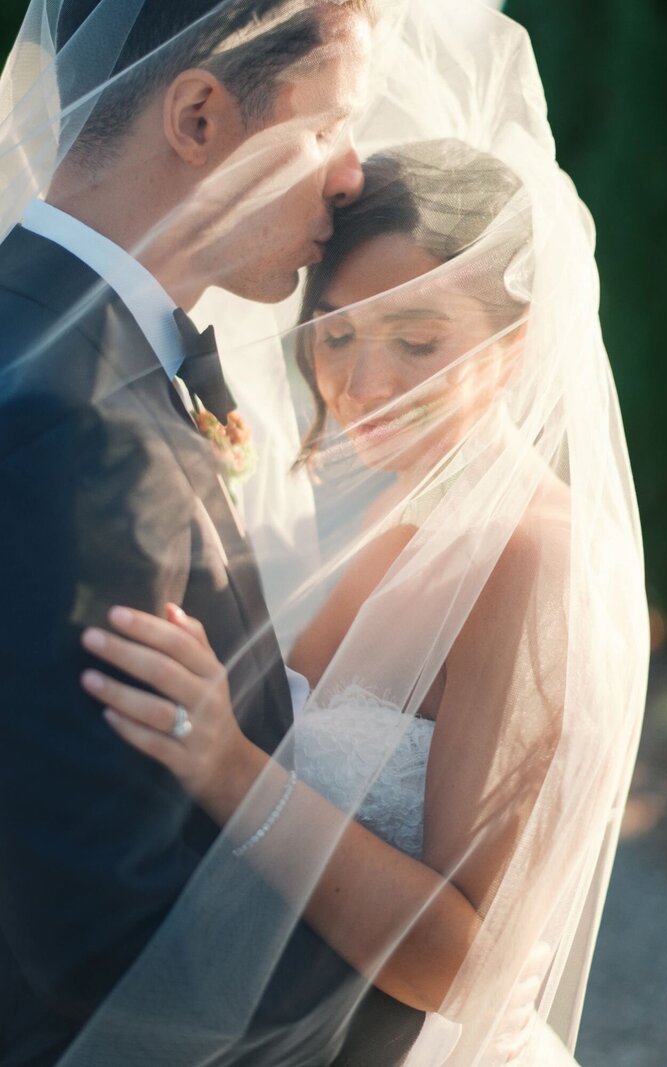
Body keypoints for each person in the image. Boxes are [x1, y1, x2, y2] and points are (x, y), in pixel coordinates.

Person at [76, 137, 644, 1067]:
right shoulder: (395, 517)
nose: (362, 385)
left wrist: (226, 762)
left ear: (517, 345)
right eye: (336, 333)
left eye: (418, 340)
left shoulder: (535, 557)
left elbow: (463, 965)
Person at [0, 2, 433, 1065]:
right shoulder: (76, 421)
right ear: (197, 115)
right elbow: (104, 928)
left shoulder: (57, 340)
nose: (349, 173)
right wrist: (418, 1006)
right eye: (329, 124)